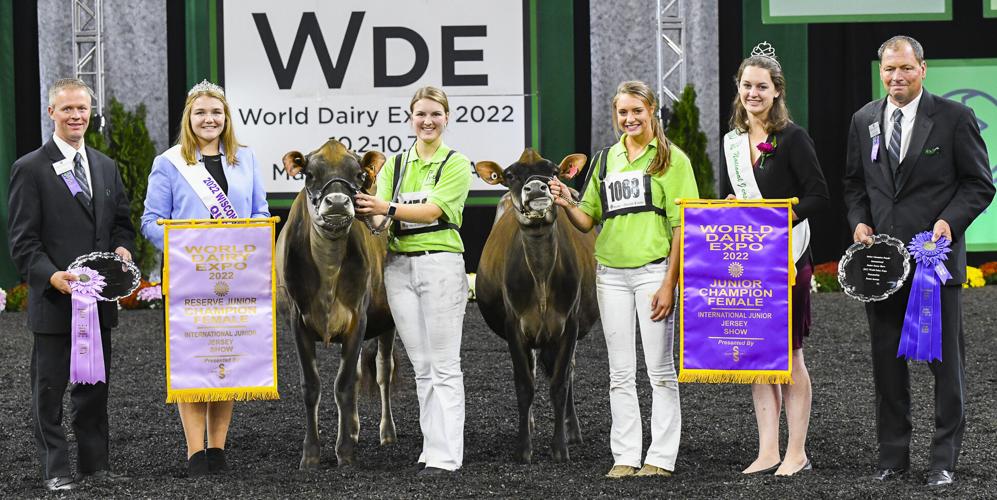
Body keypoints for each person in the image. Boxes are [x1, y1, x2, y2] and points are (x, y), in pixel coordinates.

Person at [843, 36, 995, 487]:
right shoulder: (864, 120)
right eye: (889, 70)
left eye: (905, 69)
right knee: (887, 369)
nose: (896, 77)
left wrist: (949, 221)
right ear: (881, 71)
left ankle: (943, 461)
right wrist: (858, 222)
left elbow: (979, 185)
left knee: (947, 369)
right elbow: (854, 185)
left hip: (935, 267)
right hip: (882, 272)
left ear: (922, 70)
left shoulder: (954, 118)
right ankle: (892, 458)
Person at [549, 80, 699, 479]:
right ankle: (626, 455)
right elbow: (587, 220)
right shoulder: (605, 159)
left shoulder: (673, 161)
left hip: (654, 273)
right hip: (610, 276)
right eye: (622, 112)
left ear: (652, 112)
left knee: (660, 370)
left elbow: (682, 226)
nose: (629, 119)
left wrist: (670, 283)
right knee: (619, 372)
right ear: (615, 115)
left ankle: (661, 458)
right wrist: (567, 201)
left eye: (637, 111)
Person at [8, 78, 135, 491]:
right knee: (49, 392)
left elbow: (121, 225)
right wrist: (52, 276)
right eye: (67, 109)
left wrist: (122, 251)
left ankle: (96, 466)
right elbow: (23, 241)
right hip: (53, 301)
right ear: (51, 113)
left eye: (82, 109)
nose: (76, 116)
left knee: (94, 388)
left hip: (98, 303)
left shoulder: (105, 166)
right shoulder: (29, 169)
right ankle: (56, 469)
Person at [140, 80, 270, 476]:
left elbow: (261, 212)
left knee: (226, 361)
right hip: (190, 278)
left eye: (216, 112)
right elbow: (149, 222)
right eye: (201, 113)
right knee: (194, 360)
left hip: (236, 278)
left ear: (226, 117)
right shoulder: (170, 162)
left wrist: (255, 236)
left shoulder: (245, 159)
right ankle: (195, 451)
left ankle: (218, 447)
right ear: (189, 118)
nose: (209, 119)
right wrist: (186, 245)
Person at [718, 43, 830, 477]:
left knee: (791, 355)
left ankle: (796, 452)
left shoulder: (793, 137)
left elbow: (819, 196)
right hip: (750, 260)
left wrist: (778, 214)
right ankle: (768, 450)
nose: (753, 93)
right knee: (756, 355)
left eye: (761, 86)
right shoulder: (731, 142)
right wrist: (733, 207)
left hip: (788, 258)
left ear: (777, 91)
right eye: (746, 85)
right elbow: (742, 202)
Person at [355, 86, 472, 475]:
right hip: (399, 266)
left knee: (445, 365)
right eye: (420, 114)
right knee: (422, 365)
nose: (427, 121)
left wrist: (384, 207)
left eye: (435, 114)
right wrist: (359, 210)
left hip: (440, 264)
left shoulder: (455, 163)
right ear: (411, 118)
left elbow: (434, 210)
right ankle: (432, 449)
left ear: (446, 118)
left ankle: (448, 455)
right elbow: (379, 221)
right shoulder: (396, 165)